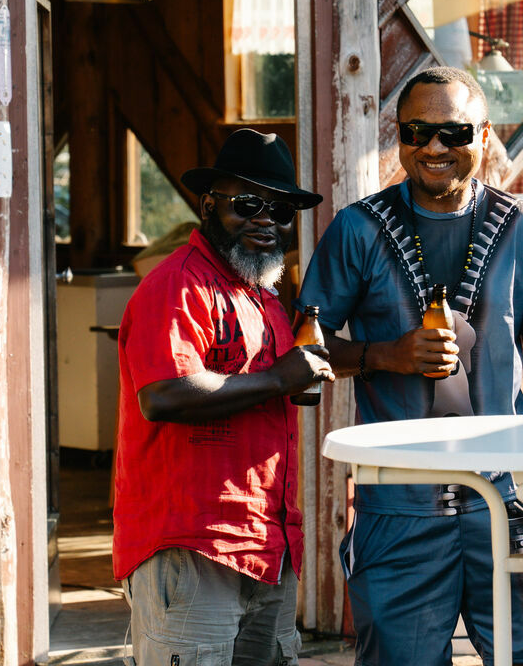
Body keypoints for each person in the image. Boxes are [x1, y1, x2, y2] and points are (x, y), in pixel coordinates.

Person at [297, 67, 523, 665]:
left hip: (509, 502)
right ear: (399, 136)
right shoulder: (358, 229)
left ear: (485, 136)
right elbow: (305, 353)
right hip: (398, 506)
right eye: (417, 131)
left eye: (453, 133)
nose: (434, 147)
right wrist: (387, 355)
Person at [113, 128, 334, 664]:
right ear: (209, 205)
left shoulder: (262, 297)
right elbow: (163, 395)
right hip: (193, 545)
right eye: (248, 204)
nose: (267, 221)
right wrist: (279, 379)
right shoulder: (178, 284)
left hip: (267, 544)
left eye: (281, 211)